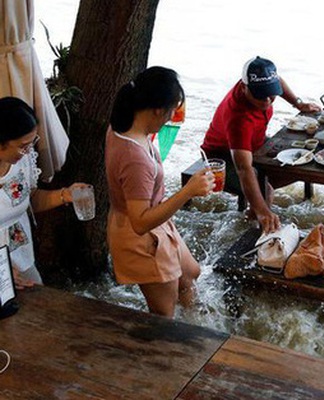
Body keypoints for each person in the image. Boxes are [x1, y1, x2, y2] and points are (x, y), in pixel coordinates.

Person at [105, 67, 214, 317]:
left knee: (190, 274)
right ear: (156, 110)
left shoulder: (123, 122)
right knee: (163, 316)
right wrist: (188, 191)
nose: (173, 116)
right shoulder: (135, 158)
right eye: (172, 110)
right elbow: (140, 222)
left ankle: (196, 329)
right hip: (141, 238)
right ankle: (169, 351)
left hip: (157, 223)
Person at [201, 56, 321, 233]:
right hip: (221, 157)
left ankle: (255, 209)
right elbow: (243, 168)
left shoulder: (259, 83)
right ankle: (249, 228)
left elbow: (277, 80)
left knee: (302, 162)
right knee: (267, 191)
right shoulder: (238, 118)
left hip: (254, 144)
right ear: (244, 88)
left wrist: (298, 103)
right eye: (260, 95)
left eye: (270, 93)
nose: (267, 101)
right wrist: (263, 211)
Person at [0, 97, 88, 288]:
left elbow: (28, 199)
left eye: (32, 142)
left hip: (20, 254)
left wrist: (65, 195)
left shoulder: (22, 161)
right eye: (23, 146)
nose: (30, 150)